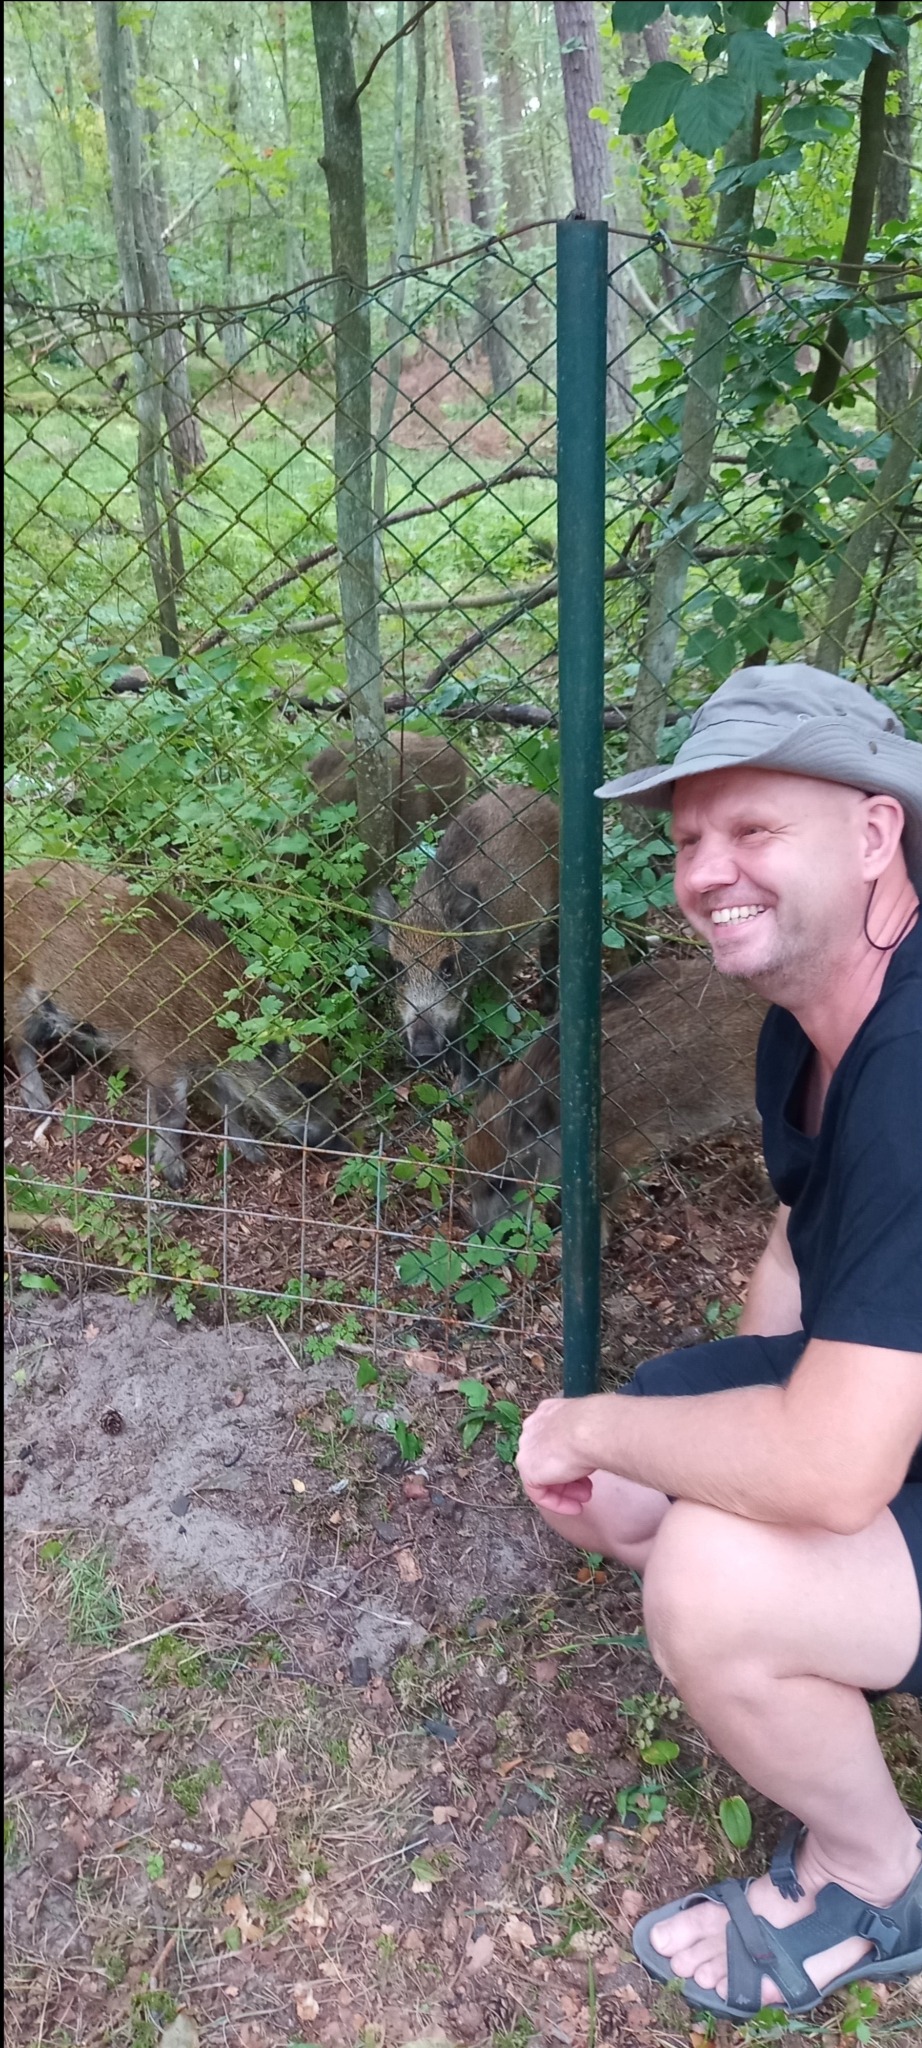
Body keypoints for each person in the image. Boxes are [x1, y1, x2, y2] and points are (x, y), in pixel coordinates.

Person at [516, 665, 922, 2023]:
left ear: (873, 837)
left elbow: (824, 1476)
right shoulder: (812, 1021)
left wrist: (598, 1426)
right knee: (645, 1493)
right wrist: (714, 1434)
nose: (705, 870)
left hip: (880, 1451)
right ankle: (825, 1638)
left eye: (751, 831)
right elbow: (799, 1251)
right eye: (688, 839)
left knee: (706, 1572)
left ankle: (875, 1880)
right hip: (895, 1423)